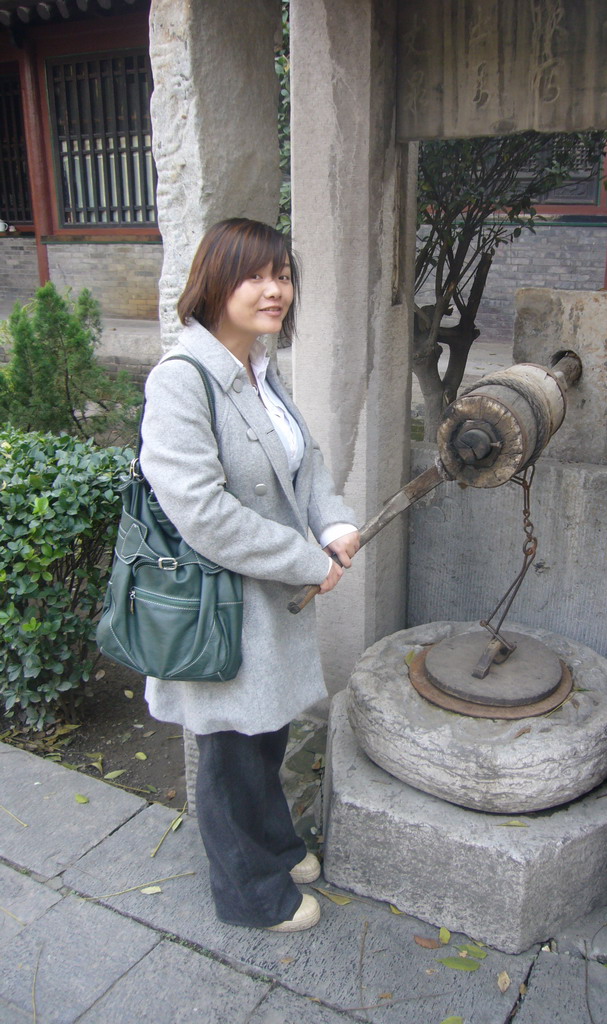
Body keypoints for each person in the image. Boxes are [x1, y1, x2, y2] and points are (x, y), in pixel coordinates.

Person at [139, 218, 360, 933]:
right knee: (233, 753)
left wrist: (332, 522)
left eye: (284, 275)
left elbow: (307, 460)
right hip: (222, 608)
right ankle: (249, 895)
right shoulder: (181, 380)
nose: (275, 290)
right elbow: (201, 513)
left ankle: (276, 847)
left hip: (267, 599)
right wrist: (307, 561)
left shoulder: (260, 367)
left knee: (264, 733)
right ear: (215, 282)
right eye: (256, 275)